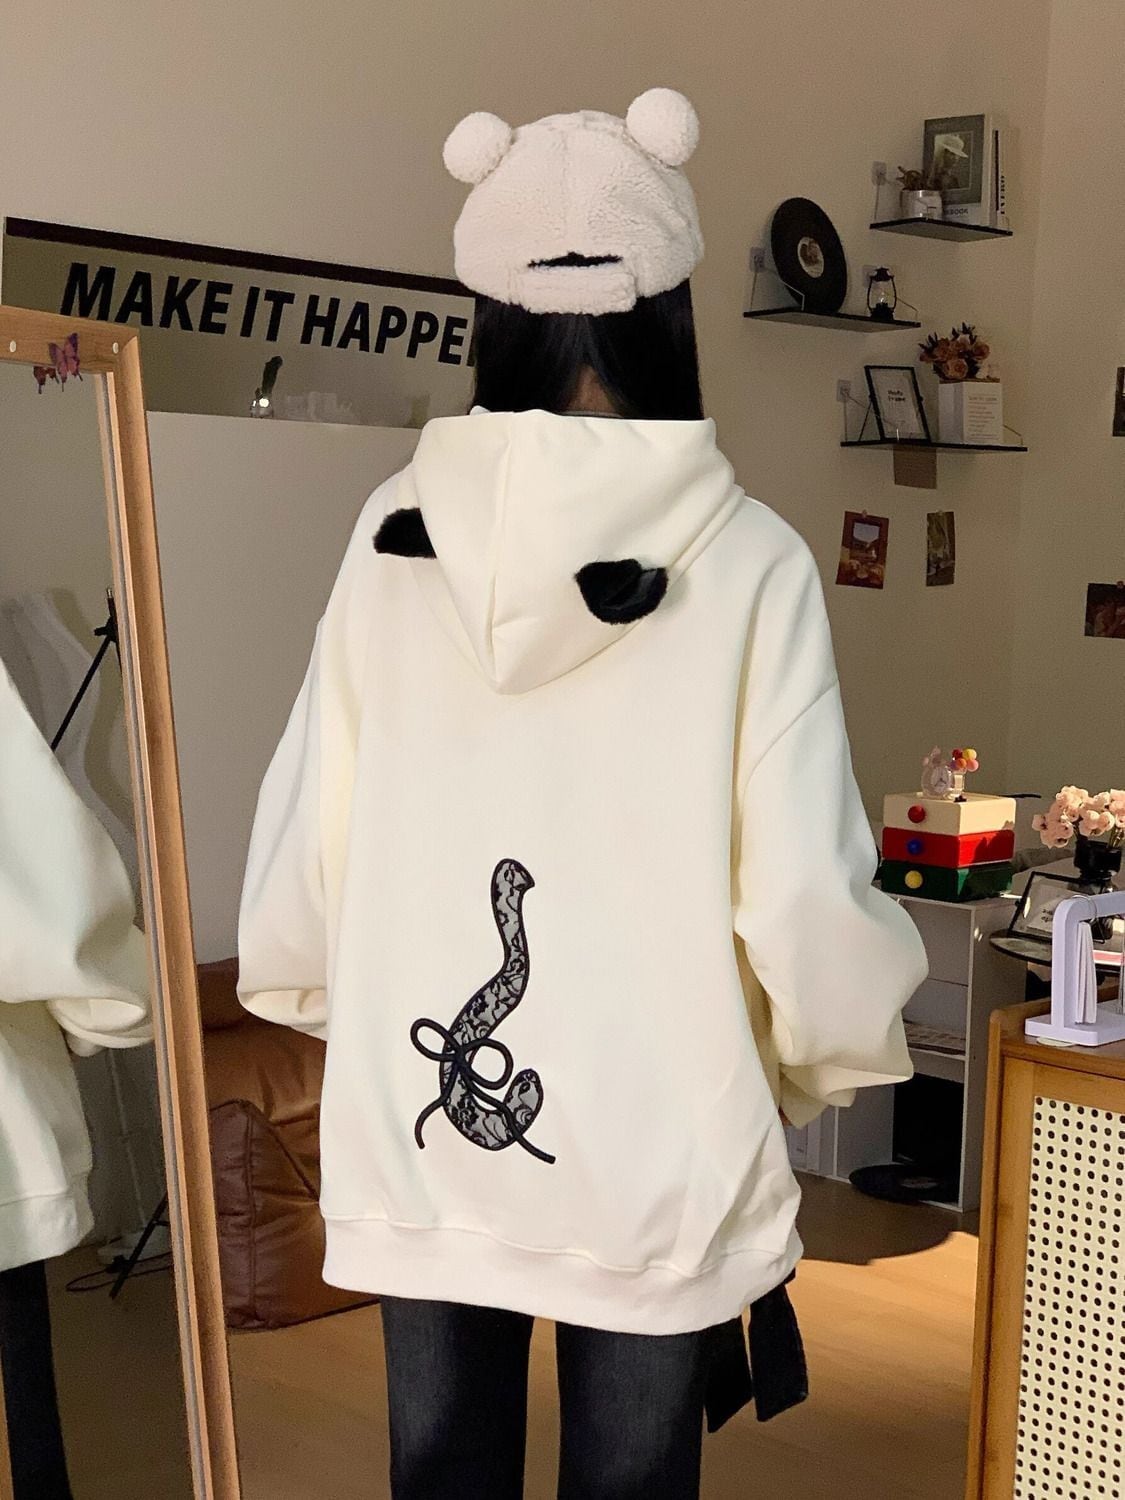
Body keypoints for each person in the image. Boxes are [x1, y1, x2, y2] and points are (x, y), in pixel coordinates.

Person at [238, 88, 928, 1500]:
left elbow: (317, 815)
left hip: (429, 1140)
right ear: (668, 308)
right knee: (632, 1479)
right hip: (661, 1131)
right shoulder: (749, 560)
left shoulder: (391, 534)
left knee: (441, 1471)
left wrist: (324, 997)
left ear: (490, 315)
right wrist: (818, 1051)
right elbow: (801, 882)